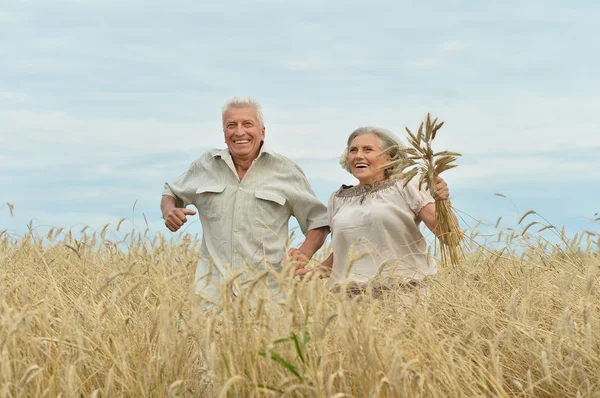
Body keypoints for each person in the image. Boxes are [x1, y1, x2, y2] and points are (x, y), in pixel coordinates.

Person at [161, 96, 329, 303]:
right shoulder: (206, 165)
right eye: (231, 126)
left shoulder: (286, 171)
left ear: (262, 132)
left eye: (247, 124)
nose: (239, 132)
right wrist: (169, 211)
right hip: (212, 298)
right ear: (224, 134)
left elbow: (319, 221)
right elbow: (172, 192)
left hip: (269, 299)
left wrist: (302, 255)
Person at [296, 126, 456, 301]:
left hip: (404, 297)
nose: (358, 155)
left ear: (389, 156)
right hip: (351, 302)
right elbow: (347, 251)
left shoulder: (408, 186)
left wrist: (442, 201)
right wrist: (314, 272)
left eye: (368, 150)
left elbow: (451, 237)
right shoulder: (338, 198)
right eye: (353, 150)